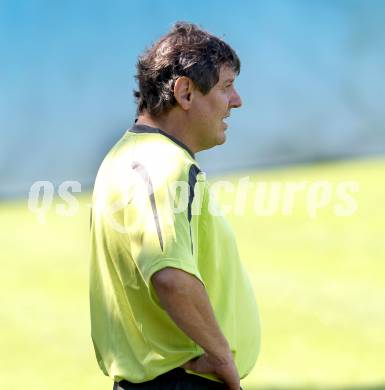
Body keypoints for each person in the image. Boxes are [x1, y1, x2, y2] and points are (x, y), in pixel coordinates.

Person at [89, 22, 260, 390]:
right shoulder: (165, 168)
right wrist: (222, 358)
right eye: (226, 87)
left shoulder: (124, 157)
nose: (237, 101)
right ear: (185, 92)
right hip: (181, 382)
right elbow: (170, 277)